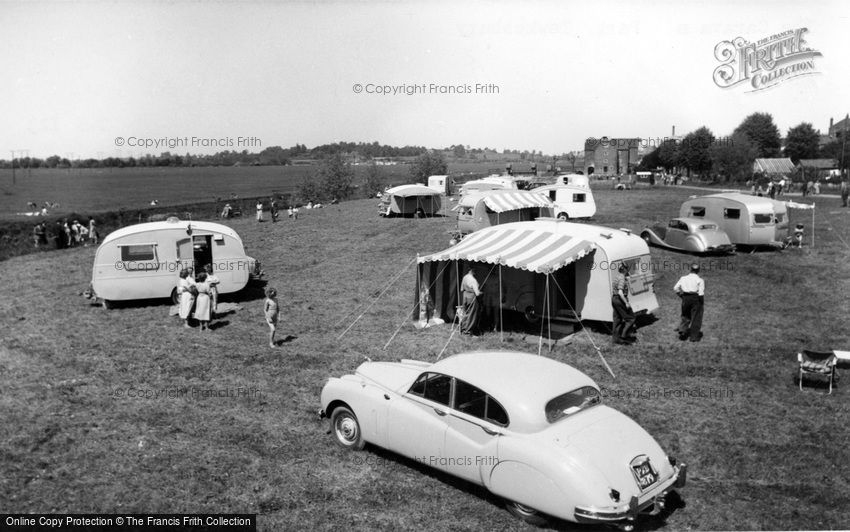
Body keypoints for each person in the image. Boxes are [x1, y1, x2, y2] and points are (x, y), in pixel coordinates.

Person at [674, 263, 705, 342]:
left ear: (690, 269)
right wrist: (701, 303)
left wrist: (681, 296)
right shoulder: (700, 280)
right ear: (698, 271)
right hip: (695, 298)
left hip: (685, 297)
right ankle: (693, 337)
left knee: (685, 314)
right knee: (696, 317)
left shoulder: (683, 278)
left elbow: (675, 288)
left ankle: (682, 330)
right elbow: (701, 293)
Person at [611, 263, 636, 345]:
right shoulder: (622, 278)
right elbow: (620, 292)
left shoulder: (617, 276)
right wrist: (626, 303)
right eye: (627, 269)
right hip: (620, 299)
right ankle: (623, 337)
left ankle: (615, 339)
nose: (628, 270)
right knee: (631, 318)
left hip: (614, 299)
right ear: (624, 269)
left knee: (617, 319)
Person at [460, 267, 482, 335]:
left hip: (465, 296)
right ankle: (468, 331)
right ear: (472, 271)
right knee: (471, 314)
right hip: (471, 297)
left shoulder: (465, 277)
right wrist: (482, 292)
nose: (476, 272)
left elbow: (461, 289)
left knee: (465, 313)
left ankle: (463, 328)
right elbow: (477, 293)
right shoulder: (473, 280)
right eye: (475, 270)